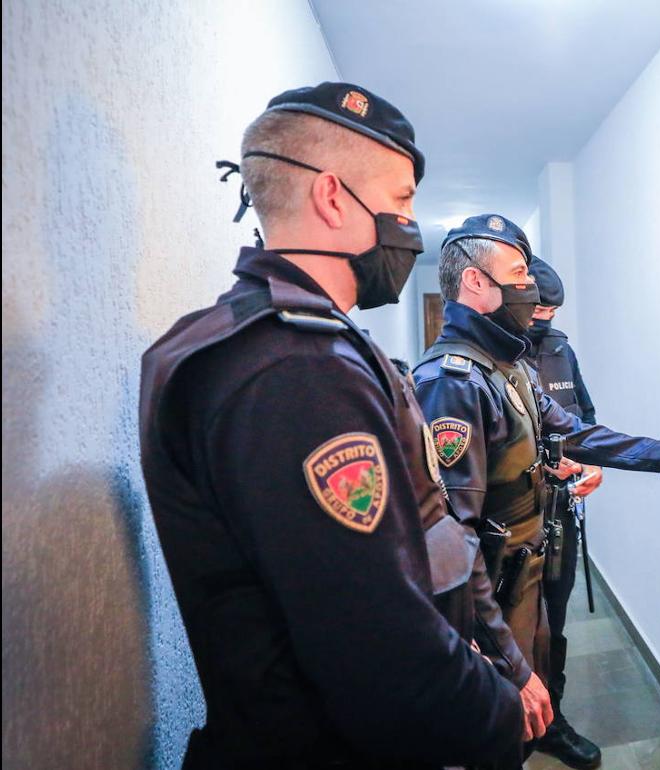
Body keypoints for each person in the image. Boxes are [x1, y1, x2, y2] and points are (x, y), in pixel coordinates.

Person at [138, 83, 524, 769]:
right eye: (402, 201)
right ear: (331, 197)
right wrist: (496, 716)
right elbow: (380, 654)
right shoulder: (295, 373)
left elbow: (398, 557)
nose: (411, 225)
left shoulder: (297, 343)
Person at [411, 214, 660, 767]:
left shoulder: (509, 367)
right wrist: (507, 659)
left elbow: (578, 432)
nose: (529, 290)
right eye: (519, 275)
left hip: (526, 576)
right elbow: (454, 541)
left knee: (527, 715)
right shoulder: (452, 382)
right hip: (490, 599)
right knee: (495, 735)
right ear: (476, 284)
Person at [521, 257, 604, 768]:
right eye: (538, 310)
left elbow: (585, 420)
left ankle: (552, 721)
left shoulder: (560, 350)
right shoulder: (486, 360)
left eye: (553, 311)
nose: (546, 320)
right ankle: (507, 726)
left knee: (554, 619)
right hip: (508, 526)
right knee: (510, 630)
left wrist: (591, 465)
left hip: (560, 516)